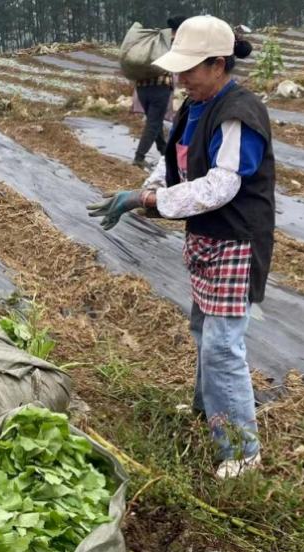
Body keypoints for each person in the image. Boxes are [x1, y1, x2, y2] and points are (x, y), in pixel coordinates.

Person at [88, 15, 274, 480]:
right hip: (207, 238)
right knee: (202, 330)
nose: (180, 78)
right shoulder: (194, 105)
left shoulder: (239, 114)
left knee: (223, 346)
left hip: (235, 238)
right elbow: (175, 165)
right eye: (178, 70)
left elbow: (219, 186)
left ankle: (242, 451)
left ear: (218, 64)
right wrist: (144, 190)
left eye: (190, 69)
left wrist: (149, 201)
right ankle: (206, 408)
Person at [132, 16, 186, 168]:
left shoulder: (157, 39)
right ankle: (139, 157)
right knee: (154, 123)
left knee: (154, 121)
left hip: (142, 87)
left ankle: (164, 152)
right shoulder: (176, 43)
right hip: (160, 88)